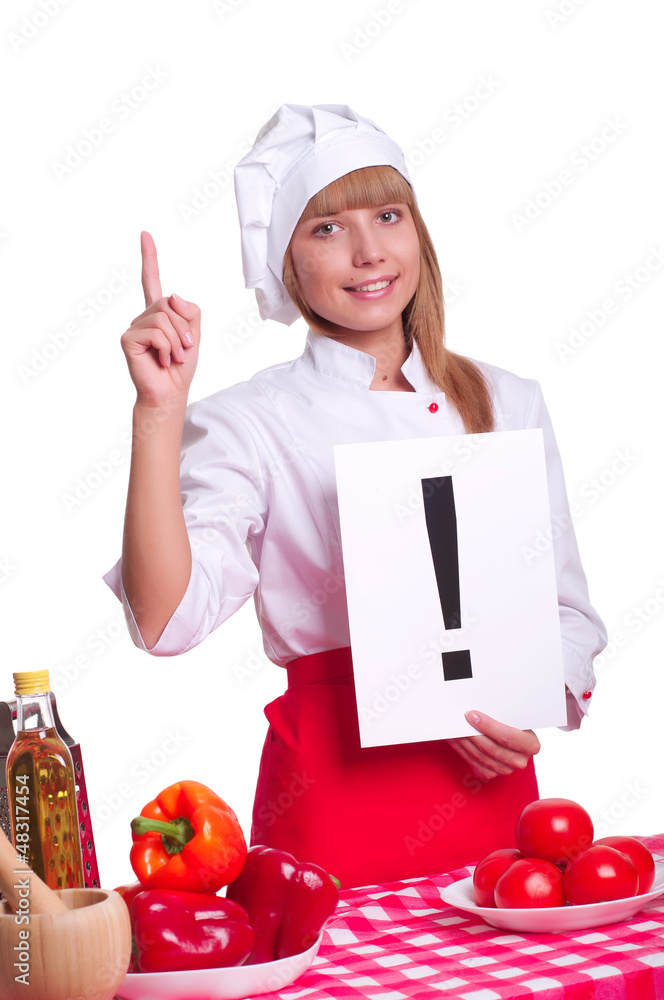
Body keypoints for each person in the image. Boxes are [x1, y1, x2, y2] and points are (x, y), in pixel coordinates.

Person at [103, 104, 607, 888]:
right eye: (327, 228)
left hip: (492, 782)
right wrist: (158, 416)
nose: (370, 251)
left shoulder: (508, 400)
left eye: (388, 214)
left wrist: (536, 694)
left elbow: (568, 614)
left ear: (419, 233)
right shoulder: (250, 421)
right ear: (286, 265)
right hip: (331, 796)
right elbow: (164, 620)